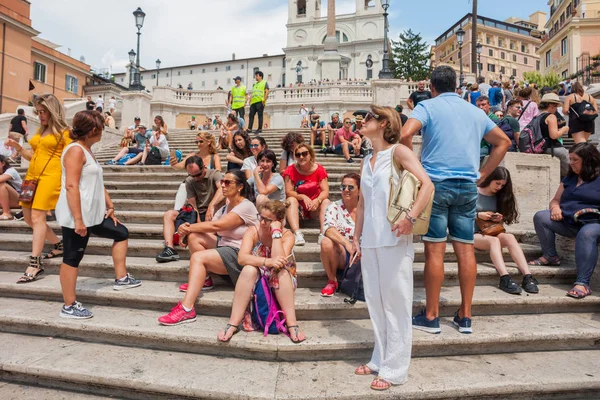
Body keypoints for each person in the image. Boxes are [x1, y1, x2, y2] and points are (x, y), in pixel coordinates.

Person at [401, 66, 511, 334]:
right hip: (467, 187)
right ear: (455, 85)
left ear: (434, 87)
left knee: (435, 251)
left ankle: (431, 316)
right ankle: (465, 316)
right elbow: (504, 142)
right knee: (465, 250)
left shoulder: (426, 107)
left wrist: (416, 168)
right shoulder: (475, 111)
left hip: (436, 185)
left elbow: (405, 134)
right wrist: (483, 173)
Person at [353, 105, 434, 390]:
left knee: (396, 304)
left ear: (384, 122)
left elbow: (427, 184)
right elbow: (362, 203)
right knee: (375, 303)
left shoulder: (398, 151)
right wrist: (355, 237)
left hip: (395, 238)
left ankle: (396, 369)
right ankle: (380, 357)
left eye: (367, 118)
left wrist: (410, 218)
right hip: (370, 240)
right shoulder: (366, 159)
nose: (362, 122)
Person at [55, 110, 141, 319]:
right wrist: (78, 220)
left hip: (92, 214)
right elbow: (72, 186)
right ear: (94, 130)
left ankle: (121, 279)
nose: (103, 132)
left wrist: (109, 204)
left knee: (121, 232)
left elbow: (96, 182)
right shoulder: (75, 151)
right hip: (78, 215)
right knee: (72, 257)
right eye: (102, 128)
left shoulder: (87, 149)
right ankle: (69, 305)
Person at [158, 170, 259, 325]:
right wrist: (187, 230)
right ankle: (204, 279)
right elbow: (211, 228)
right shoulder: (225, 207)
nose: (223, 186)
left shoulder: (246, 206)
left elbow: (217, 225)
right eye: (222, 182)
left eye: (227, 183)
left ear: (239, 187)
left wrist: (189, 227)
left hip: (241, 255)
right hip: (225, 248)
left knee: (198, 257)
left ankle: (187, 309)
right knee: (195, 237)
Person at [4, 93, 73, 283]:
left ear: (53, 111)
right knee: (28, 218)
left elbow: (73, 156)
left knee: (37, 217)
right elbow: (33, 157)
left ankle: (35, 263)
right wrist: (18, 147)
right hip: (32, 177)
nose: (40, 115)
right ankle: (59, 245)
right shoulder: (40, 131)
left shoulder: (65, 132)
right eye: (38, 111)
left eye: (44, 112)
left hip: (51, 177)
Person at [216, 200, 304, 343]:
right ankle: (232, 323)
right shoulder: (253, 231)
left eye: (268, 220)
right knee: (249, 269)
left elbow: (279, 261)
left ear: (279, 220)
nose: (262, 223)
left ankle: (292, 324)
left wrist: (276, 233)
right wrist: (266, 261)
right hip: (259, 275)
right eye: (261, 217)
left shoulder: (287, 236)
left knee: (279, 273)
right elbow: (242, 258)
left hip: (283, 279)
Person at [530, 143, 600, 300]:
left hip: (593, 223)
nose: (571, 163)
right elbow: (555, 200)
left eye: (575, 159)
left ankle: (582, 283)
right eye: (570, 158)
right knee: (541, 216)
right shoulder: (570, 178)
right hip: (568, 221)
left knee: (587, 234)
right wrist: (555, 208)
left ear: (588, 160)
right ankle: (550, 256)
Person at [474, 167, 539, 295]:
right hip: (471, 233)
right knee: (494, 242)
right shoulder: (474, 192)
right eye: (497, 183)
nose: (499, 187)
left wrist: (499, 218)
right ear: (490, 179)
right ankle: (504, 277)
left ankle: (527, 276)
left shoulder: (500, 196)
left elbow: (502, 222)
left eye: (502, 185)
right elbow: (459, 214)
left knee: (509, 237)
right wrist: (477, 215)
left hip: (489, 231)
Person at [156, 156, 224, 263]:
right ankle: (170, 249)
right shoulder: (189, 180)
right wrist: (197, 223)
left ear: (204, 167)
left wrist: (212, 206)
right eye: (192, 175)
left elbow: (222, 189)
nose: (195, 178)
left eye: (198, 174)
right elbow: (193, 205)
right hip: (198, 212)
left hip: (214, 211)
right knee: (169, 214)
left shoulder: (214, 174)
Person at [319, 172, 359, 297]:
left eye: (350, 187)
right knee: (326, 241)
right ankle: (332, 280)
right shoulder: (334, 207)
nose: (346, 190)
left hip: (362, 253)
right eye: (343, 187)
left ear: (360, 189)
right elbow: (328, 228)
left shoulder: (367, 207)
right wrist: (347, 244)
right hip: (342, 252)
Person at [282, 144, 330, 246]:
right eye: (298, 155)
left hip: (315, 206)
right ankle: (297, 233)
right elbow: (289, 191)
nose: (301, 157)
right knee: (290, 200)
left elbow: (325, 191)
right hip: (300, 208)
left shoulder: (319, 169)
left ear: (310, 155)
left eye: (304, 154)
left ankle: (323, 233)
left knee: (326, 201)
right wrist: (303, 197)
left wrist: (317, 200)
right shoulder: (291, 170)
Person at [538, 93, 570, 177]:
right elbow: (554, 135)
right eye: (555, 106)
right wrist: (564, 129)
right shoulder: (551, 116)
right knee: (572, 169)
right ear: (551, 105)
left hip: (542, 147)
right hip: (552, 147)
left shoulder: (538, 116)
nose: (556, 109)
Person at [0, 155, 22, 220]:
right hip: (5, 200)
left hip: (20, 200)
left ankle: (7, 212)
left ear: (3, 163)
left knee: (2, 184)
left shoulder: (11, 171)